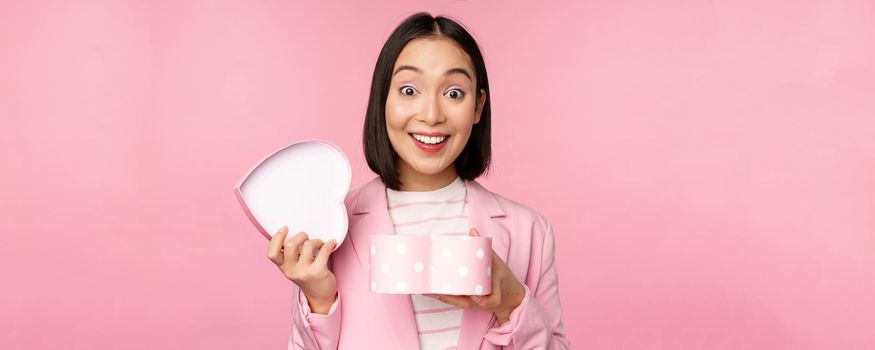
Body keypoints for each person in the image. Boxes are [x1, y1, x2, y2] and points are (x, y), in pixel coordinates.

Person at [266, 12, 570, 349]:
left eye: (454, 94)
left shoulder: (531, 232)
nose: (431, 115)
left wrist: (511, 302)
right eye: (409, 90)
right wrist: (319, 299)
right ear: (383, 99)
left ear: (478, 107)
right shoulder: (333, 227)